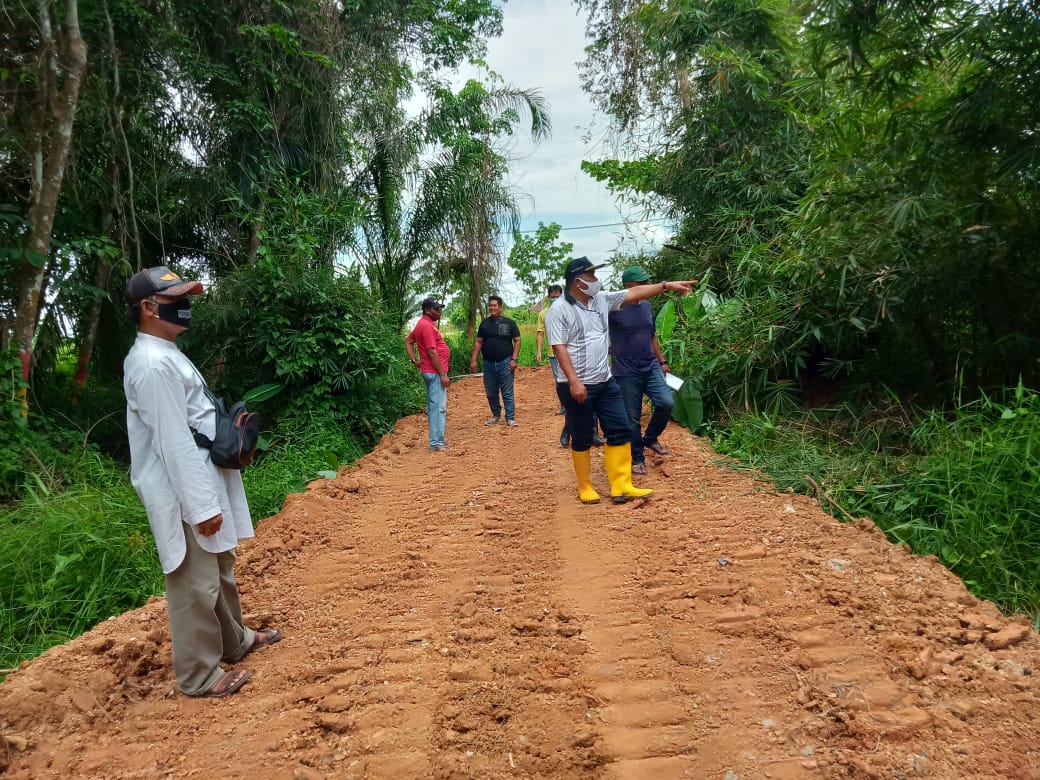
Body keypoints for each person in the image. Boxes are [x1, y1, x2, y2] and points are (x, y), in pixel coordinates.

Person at [123, 265, 281, 699]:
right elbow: (172, 441)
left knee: (219, 566)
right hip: (183, 489)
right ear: (148, 307)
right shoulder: (152, 365)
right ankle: (199, 675)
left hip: (204, 478)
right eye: (176, 299)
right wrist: (201, 507)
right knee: (195, 580)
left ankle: (235, 641)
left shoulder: (166, 352)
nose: (185, 306)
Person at [545, 257, 695, 504]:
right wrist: (574, 381)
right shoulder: (559, 309)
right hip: (576, 385)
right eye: (592, 276)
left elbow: (634, 293)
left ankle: (621, 485)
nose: (596, 280)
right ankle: (585, 486)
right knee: (582, 436)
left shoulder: (601, 300)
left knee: (621, 429)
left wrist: (666, 285)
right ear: (578, 281)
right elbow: (559, 347)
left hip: (605, 381)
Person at [609, 266, 676, 476]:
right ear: (629, 286)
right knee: (632, 419)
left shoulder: (647, 306)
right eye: (642, 282)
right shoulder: (614, 309)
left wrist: (662, 361)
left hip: (650, 366)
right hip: (626, 372)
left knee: (666, 402)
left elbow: (651, 336)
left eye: (647, 281)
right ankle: (637, 458)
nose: (647, 285)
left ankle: (650, 438)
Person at [405, 298, 451, 451]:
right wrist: (442, 374)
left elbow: (408, 341)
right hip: (435, 373)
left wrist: (415, 360)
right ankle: (436, 443)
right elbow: (432, 351)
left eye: (440, 308)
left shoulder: (423, 324)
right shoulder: (426, 326)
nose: (439, 311)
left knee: (434, 406)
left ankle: (437, 440)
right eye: (436, 309)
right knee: (438, 408)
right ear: (427, 311)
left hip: (431, 371)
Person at [470, 295, 521, 427]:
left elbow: (517, 340)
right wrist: (474, 360)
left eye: (494, 305)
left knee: (507, 391)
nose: (492, 308)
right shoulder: (484, 324)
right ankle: (496, 415)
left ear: (500, 307)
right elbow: (478, 342)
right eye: (490, 305)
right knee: (491, 392)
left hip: (505, 362)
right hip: (488, 364)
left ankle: (510, 418)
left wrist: (514, 359)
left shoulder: (509, 323)